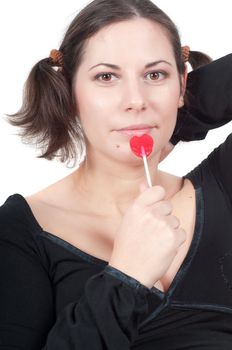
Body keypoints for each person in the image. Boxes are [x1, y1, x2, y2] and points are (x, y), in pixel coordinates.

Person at [0, 0, 231, 348]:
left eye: (155, 75)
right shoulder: (18, 231)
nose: (136, 100)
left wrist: (181, 117)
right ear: (69, 93)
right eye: (106, 77)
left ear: (182, 84)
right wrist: (127, 276)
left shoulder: (223, 184)